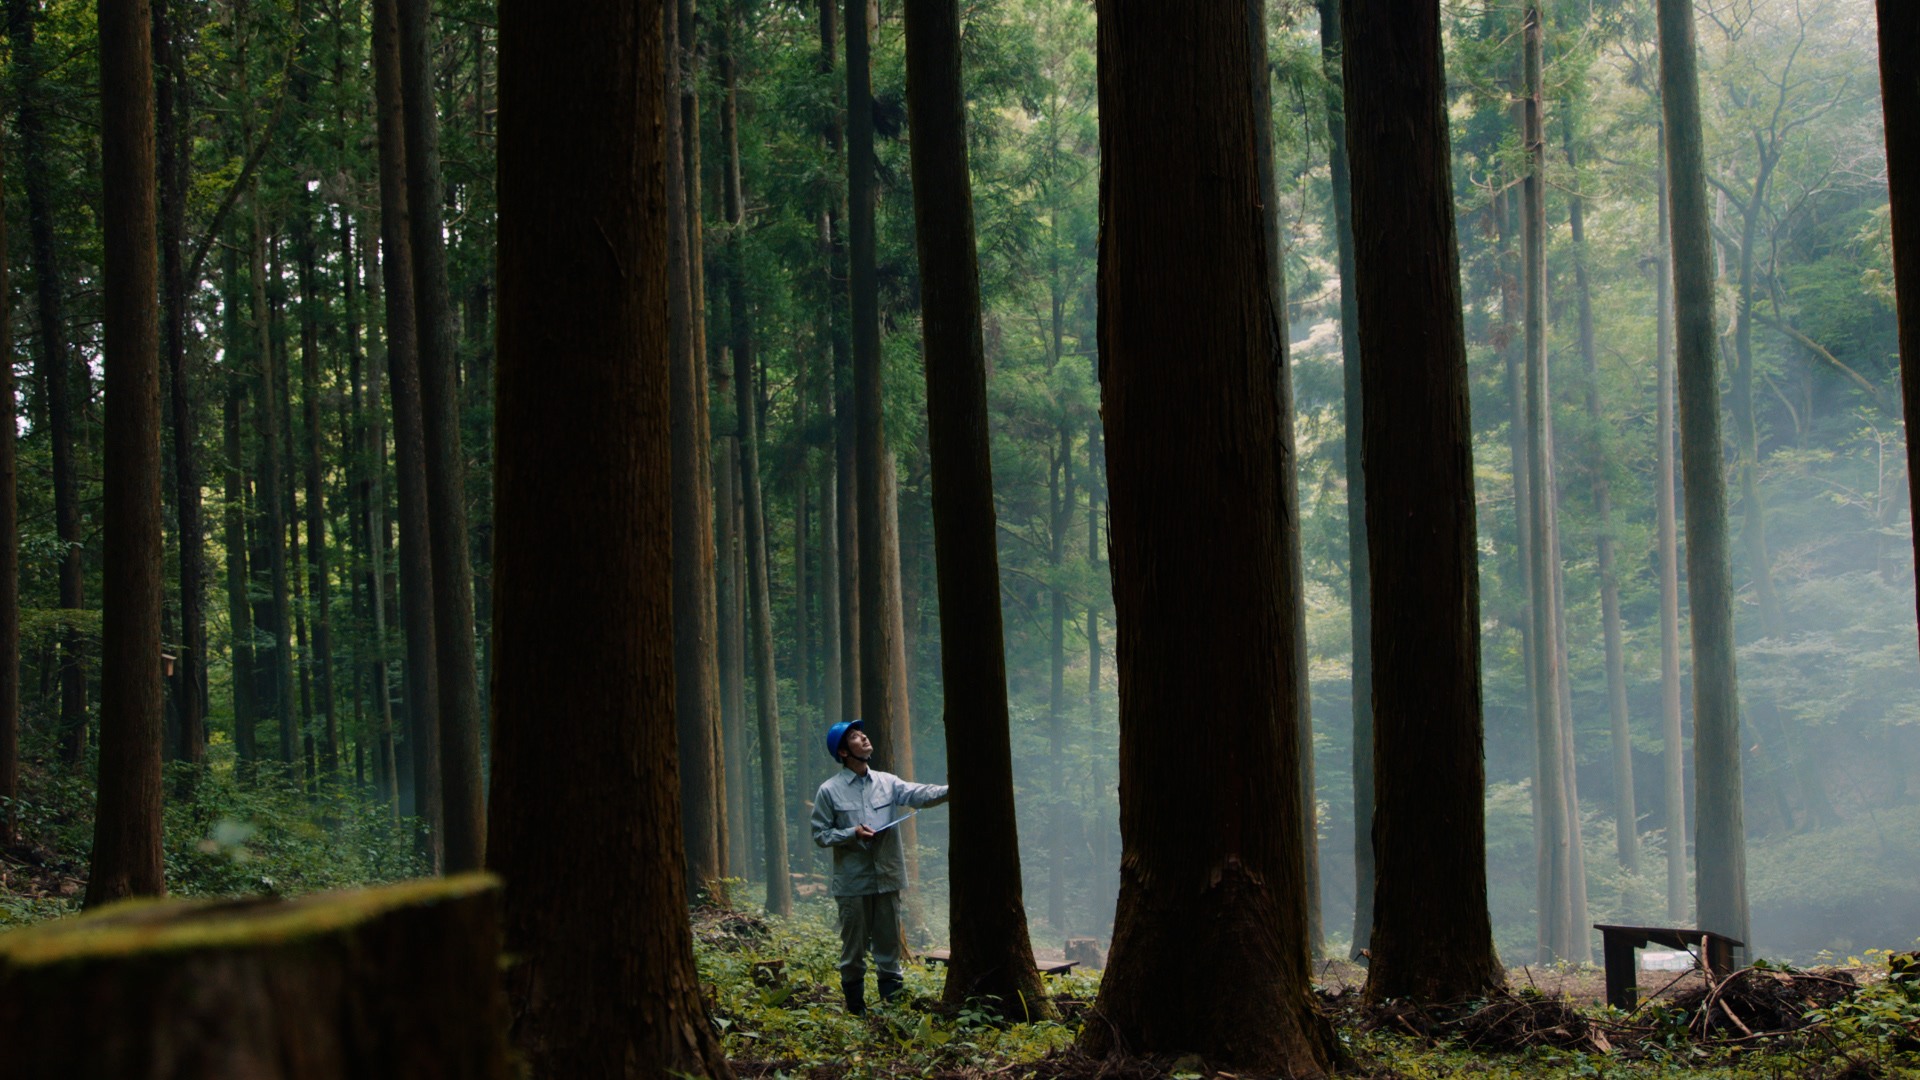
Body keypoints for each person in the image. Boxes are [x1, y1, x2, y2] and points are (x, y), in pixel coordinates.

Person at [811, 719, 949, 1015]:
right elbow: (820, 835)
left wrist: (951, 789)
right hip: (852, 884)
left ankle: (893, 1012)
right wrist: (852, 833)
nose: (862, 736)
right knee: (853, 952)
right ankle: (856, 1012)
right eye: (853, 736)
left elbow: (918, 794)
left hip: (887, 877)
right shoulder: (829, 791)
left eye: (862, 732)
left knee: (889, 950)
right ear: (843, 752)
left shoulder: (888, 782)